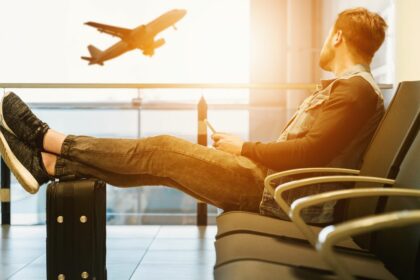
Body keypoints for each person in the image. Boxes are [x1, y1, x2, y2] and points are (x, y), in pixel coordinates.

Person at [0, 7, 387, 223]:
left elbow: (309, 154)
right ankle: (49, 166)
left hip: (275, 194)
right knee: (162, 166)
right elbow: (309, 151)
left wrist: (245, 147)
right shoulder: (351, 90)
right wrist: (244, 149)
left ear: (337, 36)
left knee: (162, 149)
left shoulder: (354, 91)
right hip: (274, 188)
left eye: (326, 36)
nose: (323, 43)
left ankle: (46, 138)